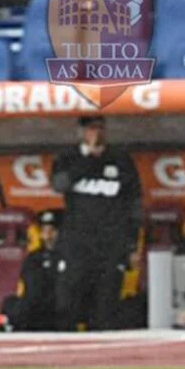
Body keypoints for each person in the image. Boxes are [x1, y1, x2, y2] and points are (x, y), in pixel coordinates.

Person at [51, 116, 142, 331]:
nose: (96, 133)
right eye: (90, 129)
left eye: (99, 128)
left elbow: (134, 204)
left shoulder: (121, 159)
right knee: (68, 300)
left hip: (111, 244)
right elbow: (59, 184)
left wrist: (131, 245)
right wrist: (88, 158)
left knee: (106, 304)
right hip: (76, 244)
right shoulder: (68, 158)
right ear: (81, 132)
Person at [0, 209, 62, 332]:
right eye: (44, 230)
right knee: (10, 302)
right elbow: (28, 283)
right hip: (33, 304)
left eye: (52, 230)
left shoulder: (68, 255)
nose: (48, 235)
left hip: (56, 307)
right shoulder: (34, 257)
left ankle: (9, 324)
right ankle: (8, 324)